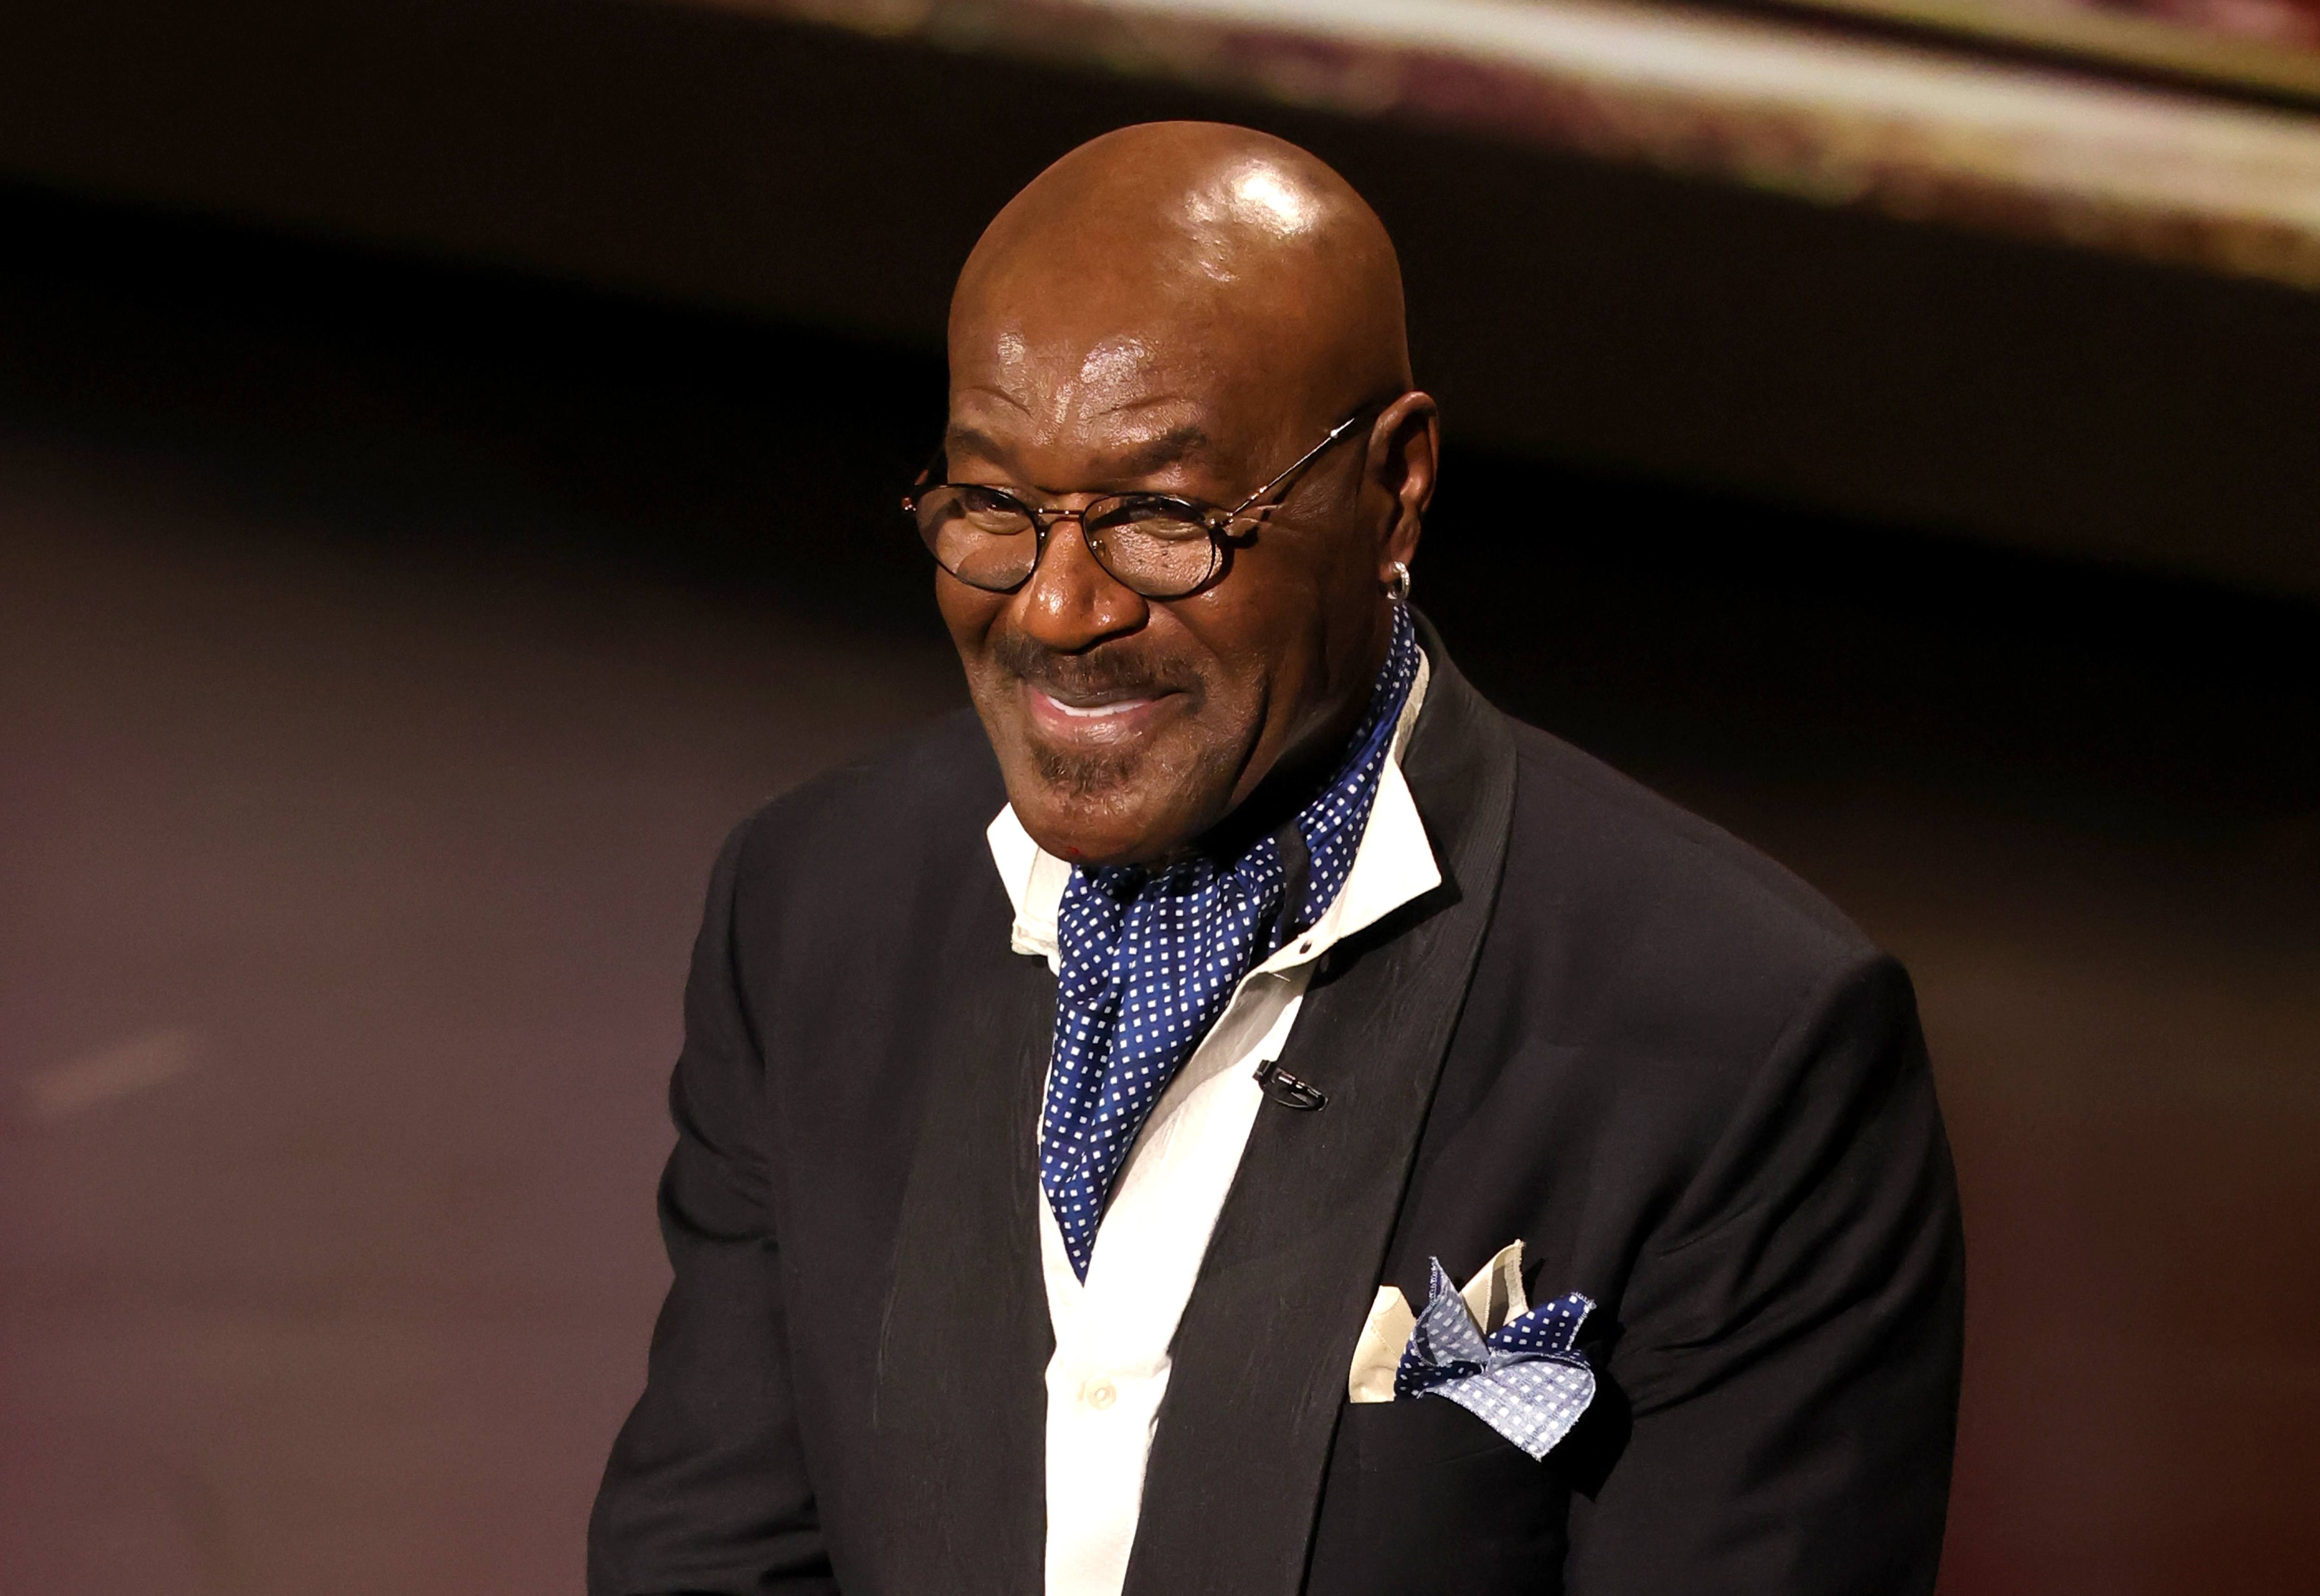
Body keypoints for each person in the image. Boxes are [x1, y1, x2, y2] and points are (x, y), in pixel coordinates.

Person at [587, 121, 1963, 1596]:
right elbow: (714, 1557)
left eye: (1161, 520)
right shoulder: (817, 907)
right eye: (994, 506)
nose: (1056, 609)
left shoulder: (1742, 1045)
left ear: (1395, 489)